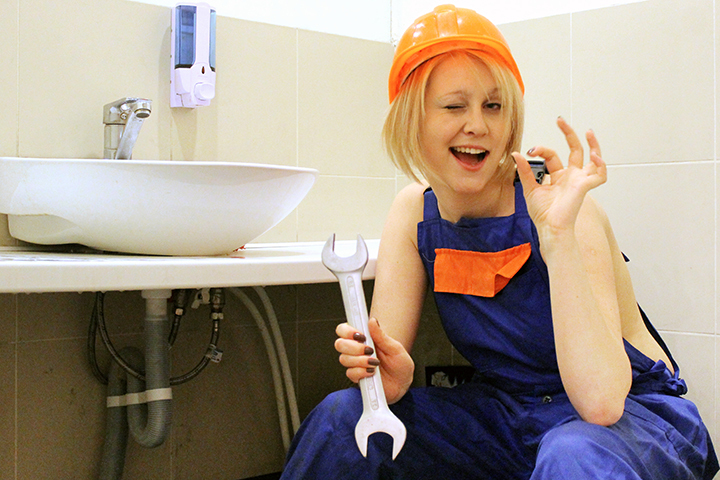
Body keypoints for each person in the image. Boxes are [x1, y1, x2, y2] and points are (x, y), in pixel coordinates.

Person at [281, 4, 719, 479]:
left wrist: (557, 239)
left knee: (573, 454)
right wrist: (389, 380)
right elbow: (385, 372)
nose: (478, 124)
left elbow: (602, 403)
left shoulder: (563, 208)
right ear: (411, 118)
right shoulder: (413, 212)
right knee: (342, 419)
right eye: (454, 106)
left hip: (628, 417)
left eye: (493, 106)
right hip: (509, 413)